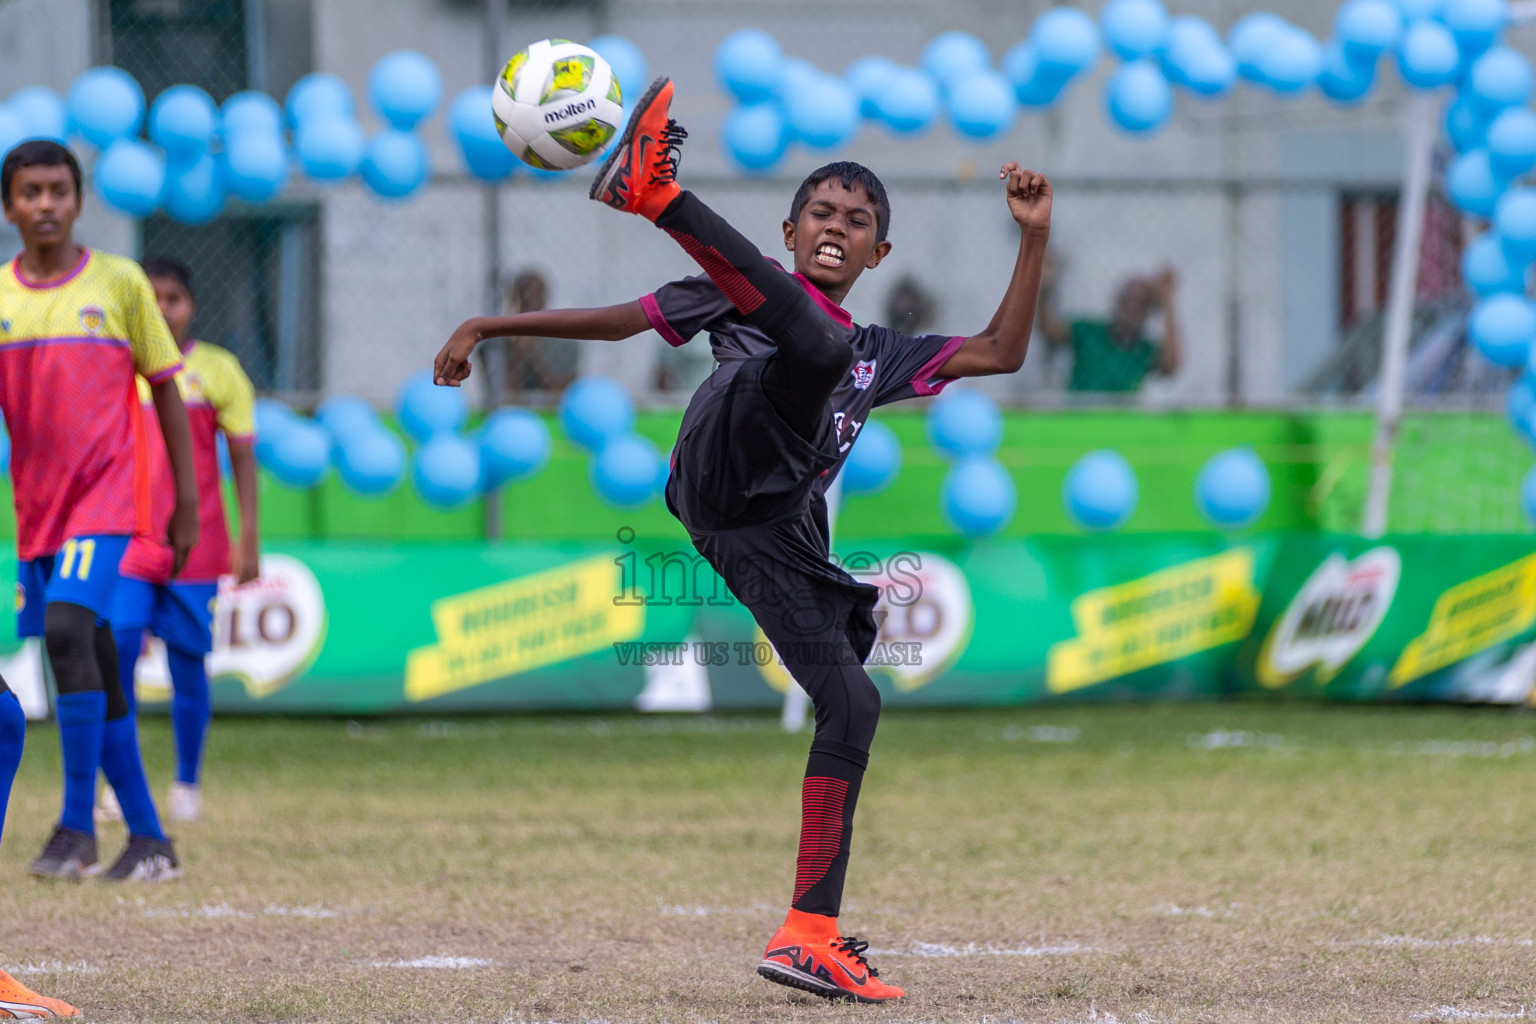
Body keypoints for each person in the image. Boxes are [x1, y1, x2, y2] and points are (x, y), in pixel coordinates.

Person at [433, 78, 1050, 1003]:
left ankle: (809, 933)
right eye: (819, 211)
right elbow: (616, 322)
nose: (835, 223)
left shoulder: (879, 350)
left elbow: (1001, 353)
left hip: (766, 529)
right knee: (813, 343)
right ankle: (654, 193)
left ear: (881, 249)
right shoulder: (743, 291)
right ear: (792, 231)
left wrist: (1034, 236)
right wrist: (489, 325)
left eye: (856, 216)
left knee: (853, 702)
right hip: (724, 458)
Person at [0, 140, 197, 883]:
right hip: (38, 512)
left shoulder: (118, 284)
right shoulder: (1, 297)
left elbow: (167, 389)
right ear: (9, 206)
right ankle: (149, 839)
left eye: (58, 190)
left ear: (78, 201)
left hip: (107, 497)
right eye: (29, 192)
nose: (45, 204)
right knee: (94, 658)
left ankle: (76, 827)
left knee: (65, 633)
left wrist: (182, 503)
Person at [99, 256, 258, 826]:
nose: (164, 310)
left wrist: (249, 539)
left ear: (191, 305)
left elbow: (242, 456)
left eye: (174, 299)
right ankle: (119, 781)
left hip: (198, 544)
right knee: (115, 652)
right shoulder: (116, 366)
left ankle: (186, 782)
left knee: (190, 665)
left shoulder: (218, 369)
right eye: (153, 299)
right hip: (127, 542)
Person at [1038, 258, 1181, 392]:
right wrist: (1045, 287)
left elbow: (1170, 366)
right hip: (1080, 414)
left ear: (1149, 310)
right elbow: (1049, 330)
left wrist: (1168, 302)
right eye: (1128, 300)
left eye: (1141, 304)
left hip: (1121, 417)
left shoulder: (1143, 350)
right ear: (1117, 301)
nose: (1132, 309)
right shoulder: (1090, 333)